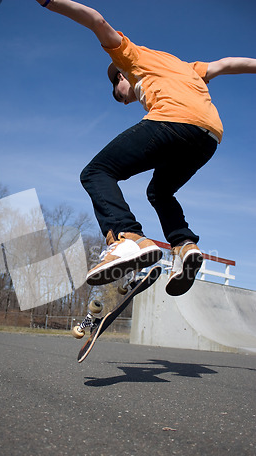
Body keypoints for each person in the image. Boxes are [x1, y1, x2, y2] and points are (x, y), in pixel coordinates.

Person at [35, 0, 256, 295]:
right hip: (208, 137)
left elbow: (97, 21)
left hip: (172, 122)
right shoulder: (187, 68)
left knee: (96, 172)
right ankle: (184, 245)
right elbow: (226, 64)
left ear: (121, 76)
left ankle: (128, 239)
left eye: (120, 93)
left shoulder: (131, 58)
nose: (124, 100)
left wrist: (51, 3)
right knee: (160, 192)